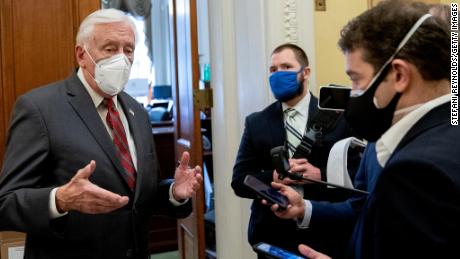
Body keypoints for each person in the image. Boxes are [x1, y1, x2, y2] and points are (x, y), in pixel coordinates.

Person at [0, 9, 202, 259]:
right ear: (81, 54)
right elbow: (6, 203)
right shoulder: (40, 108)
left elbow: (137, 197)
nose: (122, 59)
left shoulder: (136, 111)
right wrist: (60, 199)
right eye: (109, 49)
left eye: (128, 50)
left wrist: (173, 192)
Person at [270, 1, 460, 258]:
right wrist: (306, 208)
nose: (354, 93)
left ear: (399, 75)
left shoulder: (416, 172)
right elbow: (365, 207)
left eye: (356, 79)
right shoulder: (381, 137)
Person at [231, 43, 354, 257]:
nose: (278, 74)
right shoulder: (256, 122)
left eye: (286, 67)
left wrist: (321, 175)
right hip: (273, 236)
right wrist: (275, 176)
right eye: (273, 69)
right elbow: (239, 181)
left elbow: (359, 173)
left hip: (327, 232)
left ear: (305, 73)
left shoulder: (340, 116)